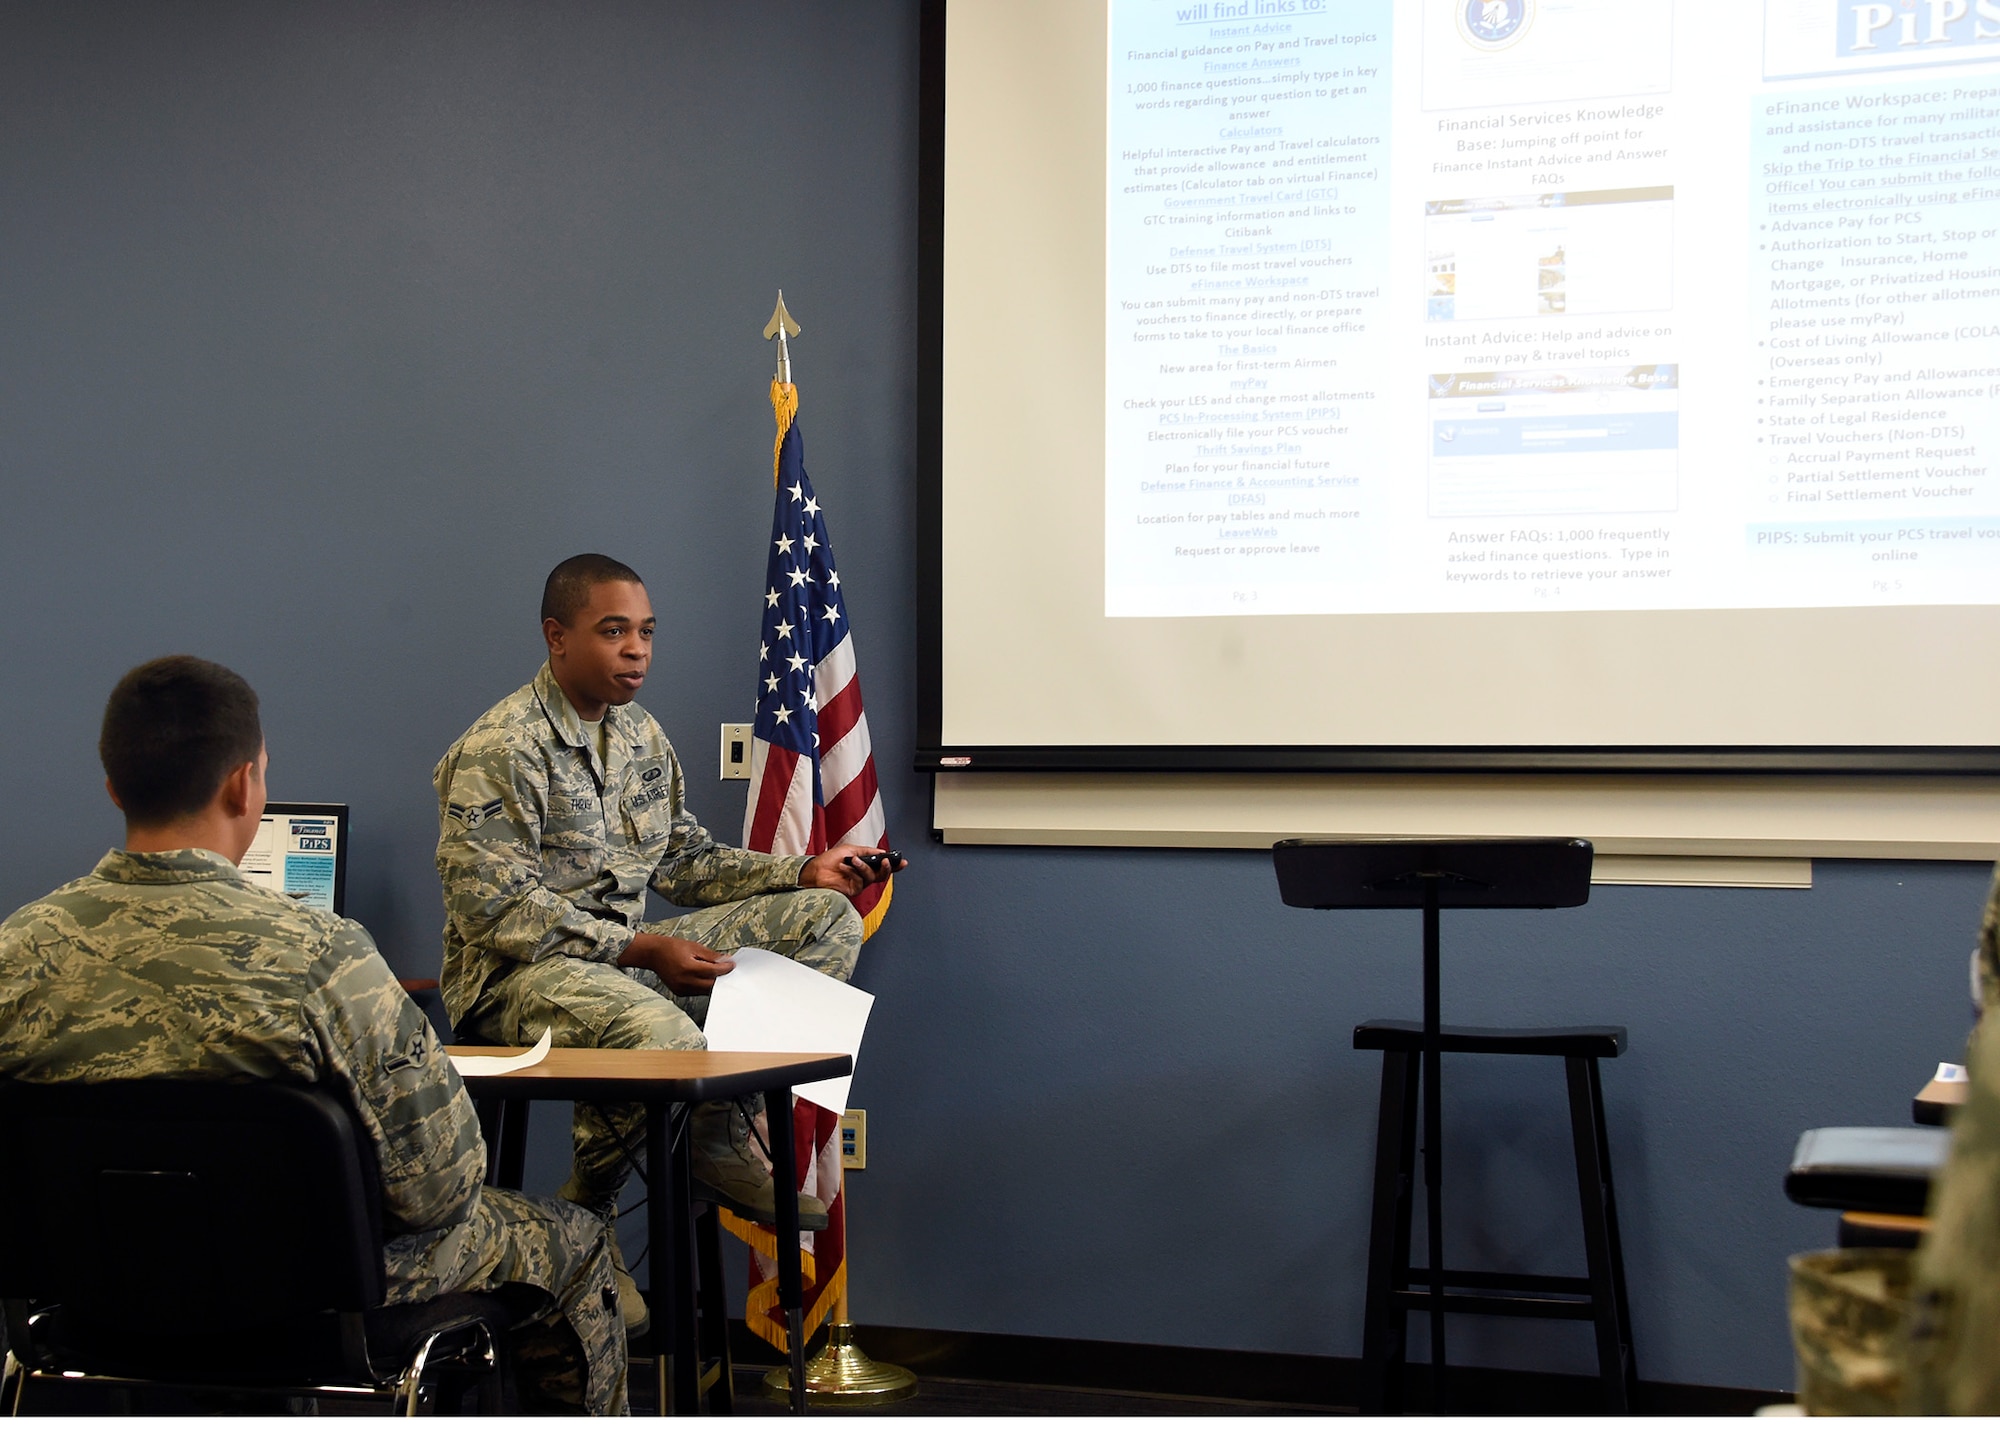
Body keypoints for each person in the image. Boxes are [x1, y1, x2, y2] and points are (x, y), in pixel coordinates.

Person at [0, 657, 626, 1415]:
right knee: (577, 1237)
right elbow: (442, 1185)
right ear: (245, 784)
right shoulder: (322, 956)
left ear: (114, 787)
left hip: (85, 1289)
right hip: (308, 1295)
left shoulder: (18, 951)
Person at [433, 553, 899, 1335]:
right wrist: (641, 950)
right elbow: (494, 909)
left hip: (624, 957)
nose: (637, 650)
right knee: (661, 1032)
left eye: (646, 632)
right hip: (517, 979)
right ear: (557, 636)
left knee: (826, 918)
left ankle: (718, 1133)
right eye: (613, 631)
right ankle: (592, 1216)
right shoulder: (501, 747)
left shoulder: (641, 734)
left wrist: (803, 869)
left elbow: (683, 860)